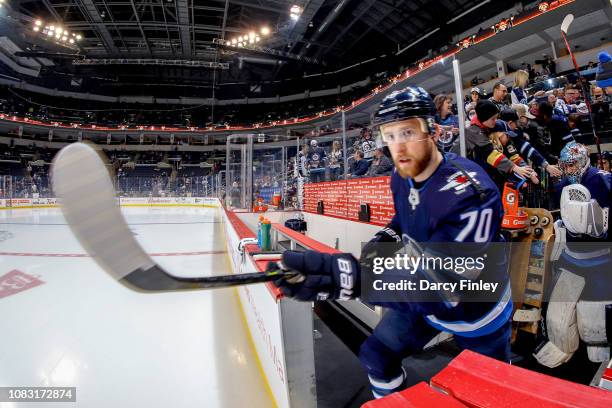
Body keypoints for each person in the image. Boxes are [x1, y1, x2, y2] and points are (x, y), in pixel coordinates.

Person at [269, 86, 512, 399]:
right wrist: (386, 236)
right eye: (390, 134)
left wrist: (355, 280)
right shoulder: (402, 175)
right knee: (377, 355)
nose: (398, 146)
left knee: (489, 394)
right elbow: (407, 219)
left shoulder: (471, 194)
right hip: (422, 298)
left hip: (479, 310)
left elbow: (445, 287)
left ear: (433, 131)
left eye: (408, 132)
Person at [535, 142, 611, 367]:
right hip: (570, 258)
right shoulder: (561, 186)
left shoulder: (602, 180)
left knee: (595, 319)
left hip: (601, 260)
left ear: (583, 161)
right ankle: (561, 346)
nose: (568, 170)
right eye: (565, 166)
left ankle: (599, 351)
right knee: (559, 314)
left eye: (572, 165)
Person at [466, 100, 535, 189]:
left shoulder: (488, 126)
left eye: (496, 118)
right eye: (493, 119)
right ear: (484, 118)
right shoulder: (473, 131)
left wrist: (526, 171)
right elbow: (491, 154)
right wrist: (515, 168)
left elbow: (512, 154)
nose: (495, 121)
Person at [499, 109, 562, 178]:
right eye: (516, 122)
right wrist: (532, 173)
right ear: (510, 123)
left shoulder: (515, 132)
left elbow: (525, 149)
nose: (516, 126)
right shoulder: (503, 137)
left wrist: (545, 165)